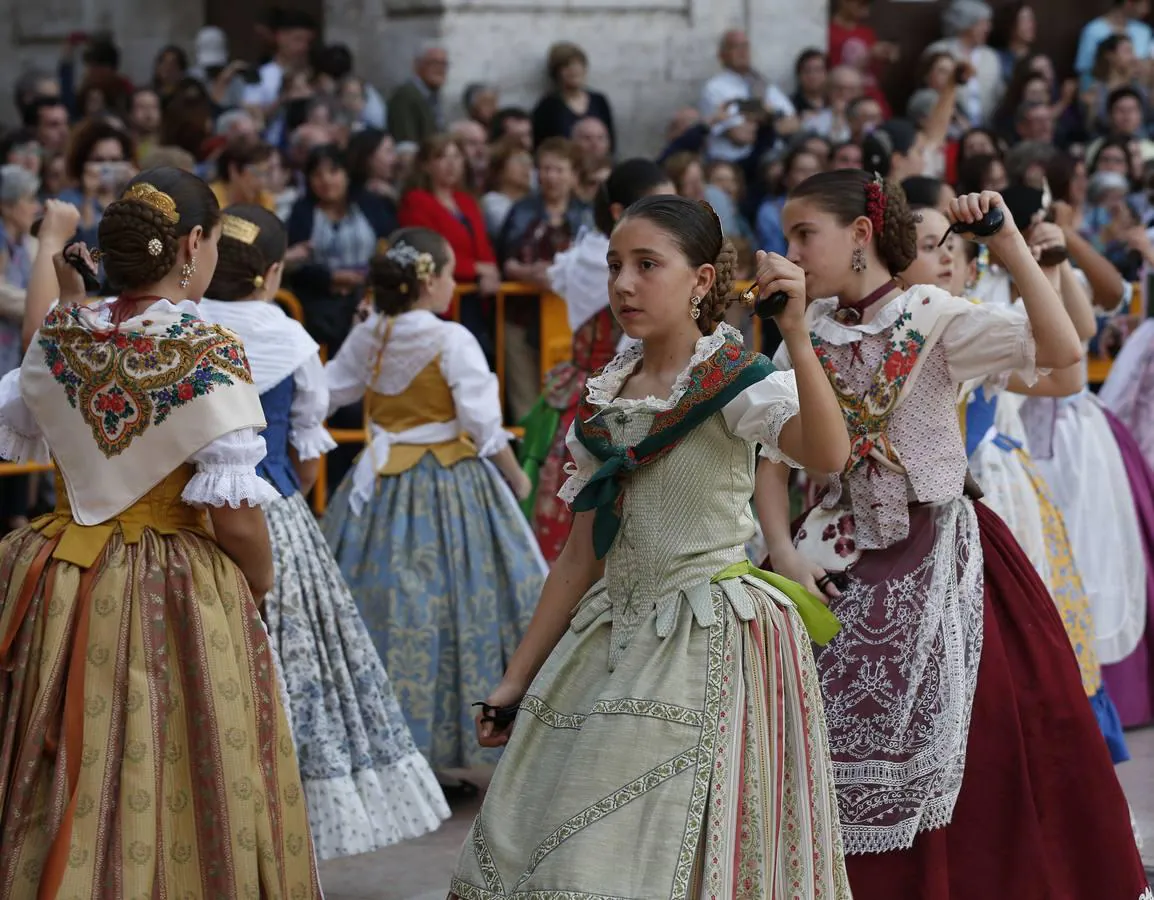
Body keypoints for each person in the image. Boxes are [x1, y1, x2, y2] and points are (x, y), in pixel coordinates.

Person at [754, 171, 1148, 898]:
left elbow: (1062, 352)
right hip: (834, 565)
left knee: (990, 731)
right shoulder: (800, 337)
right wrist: (780, 555)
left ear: (862, 235)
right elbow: (773, 464)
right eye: (790, 237)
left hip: (944, 557)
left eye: (806, 234)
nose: (793, 252)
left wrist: (1005, 240)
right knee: (818, 746)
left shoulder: (931, 314)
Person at [451, 194, 853, 898]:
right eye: (614, 267)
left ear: (701, 281)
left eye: (646, 265)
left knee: (619, 853)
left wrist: (795, 333)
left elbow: (828, 451)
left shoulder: (736, 382)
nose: (624, 284)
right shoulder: (607, 396)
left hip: (704, 634)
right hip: (609, 634)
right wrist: (515, 680)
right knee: (540, 837)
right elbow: (581, 556)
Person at [0, 171, 321, 896]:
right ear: (194, 245)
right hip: (171, 584)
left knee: (57, 755)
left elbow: (26, 404)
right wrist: (257, 585)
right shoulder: (206, 351)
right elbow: (236, 516)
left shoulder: (64, 333)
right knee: (172, 754)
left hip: (57, 570)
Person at [198, 205, 451, 859]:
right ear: (274, 272)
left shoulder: (181, 326)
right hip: (271, 514)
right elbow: (308, 450)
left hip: (183, 522)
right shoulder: (284, 336)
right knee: (289, 674)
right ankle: (283, 825)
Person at [321, 228, 547, 786]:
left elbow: (325, 394)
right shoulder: (451, 340)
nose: (454, 283)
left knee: (390, 613)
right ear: (429, 280)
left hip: (382, 484)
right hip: (452, 483)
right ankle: (459, 734)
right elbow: (481, 426)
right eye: (449, 272)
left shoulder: (371, 334)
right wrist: (517, 479)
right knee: (468, 608)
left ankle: (398, 749)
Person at [520, 158, 673, 562]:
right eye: (659, 205)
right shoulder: (594, 259)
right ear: (620, 213)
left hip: (623, 385)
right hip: (606, 392)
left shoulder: (600, 255)